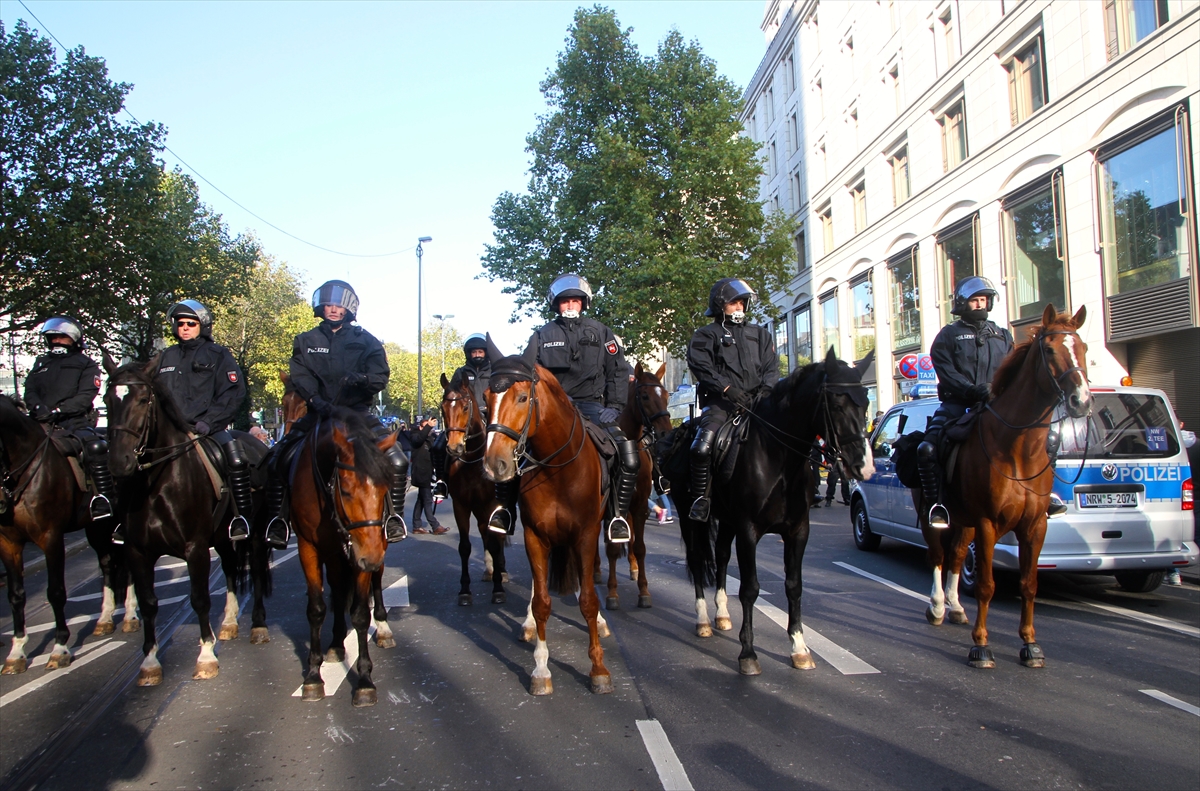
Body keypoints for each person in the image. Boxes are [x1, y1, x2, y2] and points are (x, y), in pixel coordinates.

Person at [264, 280, 409, 549]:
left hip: (357, 414)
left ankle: (393, 517)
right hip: (318, 412)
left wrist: (362, 379)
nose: (333, 309)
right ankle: (279, 520)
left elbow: (380, 377)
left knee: (398, 460)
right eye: (329, 305)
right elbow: (300, 375)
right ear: (321, 307)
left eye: (339, 306)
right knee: (277, 458)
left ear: (348, 309)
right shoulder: (305, 340)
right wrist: (316, 401)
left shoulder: (366, 340)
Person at [496, 273, 638, 543]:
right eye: (565, 301)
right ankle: (505, 513)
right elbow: (530, 374)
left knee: (627, 455)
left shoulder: (602, 332)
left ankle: (617, 516)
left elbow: (618, 370)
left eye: (575, 300)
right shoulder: (541, 336)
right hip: (553, 410)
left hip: (594, 406)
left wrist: (616, 406)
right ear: (556, 305)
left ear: (584, 303)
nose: (570, 305)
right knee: (512, 450)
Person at [917, 277, 1068, 529]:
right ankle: (938, 504)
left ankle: (1045, 496)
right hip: (959, 404)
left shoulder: (1003, 335)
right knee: (927, 449)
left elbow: (1013, 370)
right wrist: (973, 390)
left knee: (1049, 439)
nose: (981, 305)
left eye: (984, 300)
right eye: (976, 300)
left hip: (997, 405)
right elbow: (947, 372)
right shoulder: (948, 335)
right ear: (963, 303)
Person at [153, 300, 254, 544]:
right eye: (180, 323)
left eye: (191, 323)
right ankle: (126, 520)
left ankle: (241, 518)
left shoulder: (218, 355)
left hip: (206, 429)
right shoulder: (165, 356)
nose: (184, 328)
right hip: (170, 432)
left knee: (236, 459)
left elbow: (233, 393)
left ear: (202, 325)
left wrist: (210, 422)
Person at [685, 278, 779, 521]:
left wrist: (766, 393)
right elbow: (701, 367)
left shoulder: (760, 334)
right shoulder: (705, 335)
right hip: (722, 404)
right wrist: (727, 388)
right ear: (720, 305)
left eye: (742, 303)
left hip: (758, 404)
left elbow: (771, 368)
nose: (739, 307)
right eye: (733, 303)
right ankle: (701, 499)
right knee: (701, 446)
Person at [22, 316, 117, 534]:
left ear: (73, 339)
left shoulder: (87, 365)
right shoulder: (40, 364)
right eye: (52, 337)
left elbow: (85, 396)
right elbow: (30, 390)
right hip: (39, 423)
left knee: (96, 448)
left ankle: (104, 500)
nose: (56, 341)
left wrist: (58, 411)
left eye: (61, 337)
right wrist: (37, 408)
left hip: (73, 423)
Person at [431, 333, 491, 499]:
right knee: (437, 446)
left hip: (488, 415)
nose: (477, 355)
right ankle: (441, 482)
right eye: (474, 352)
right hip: (463, 419)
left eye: (480, 352)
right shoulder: (460, 372)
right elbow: (452, 393)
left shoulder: (493, 371)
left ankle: (508, 486)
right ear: (468, 354)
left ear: (485, 353)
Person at [405, 416, 445, 534]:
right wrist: (428, 427)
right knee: (427, 499)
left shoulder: (430, 438)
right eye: (426, 426)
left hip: (429, 473)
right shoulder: (415, 436)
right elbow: (419, 439)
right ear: (421, 426)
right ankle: (435, 525)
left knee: (421, 500)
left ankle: (417, 525)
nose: (429, 429)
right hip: (420, 473)